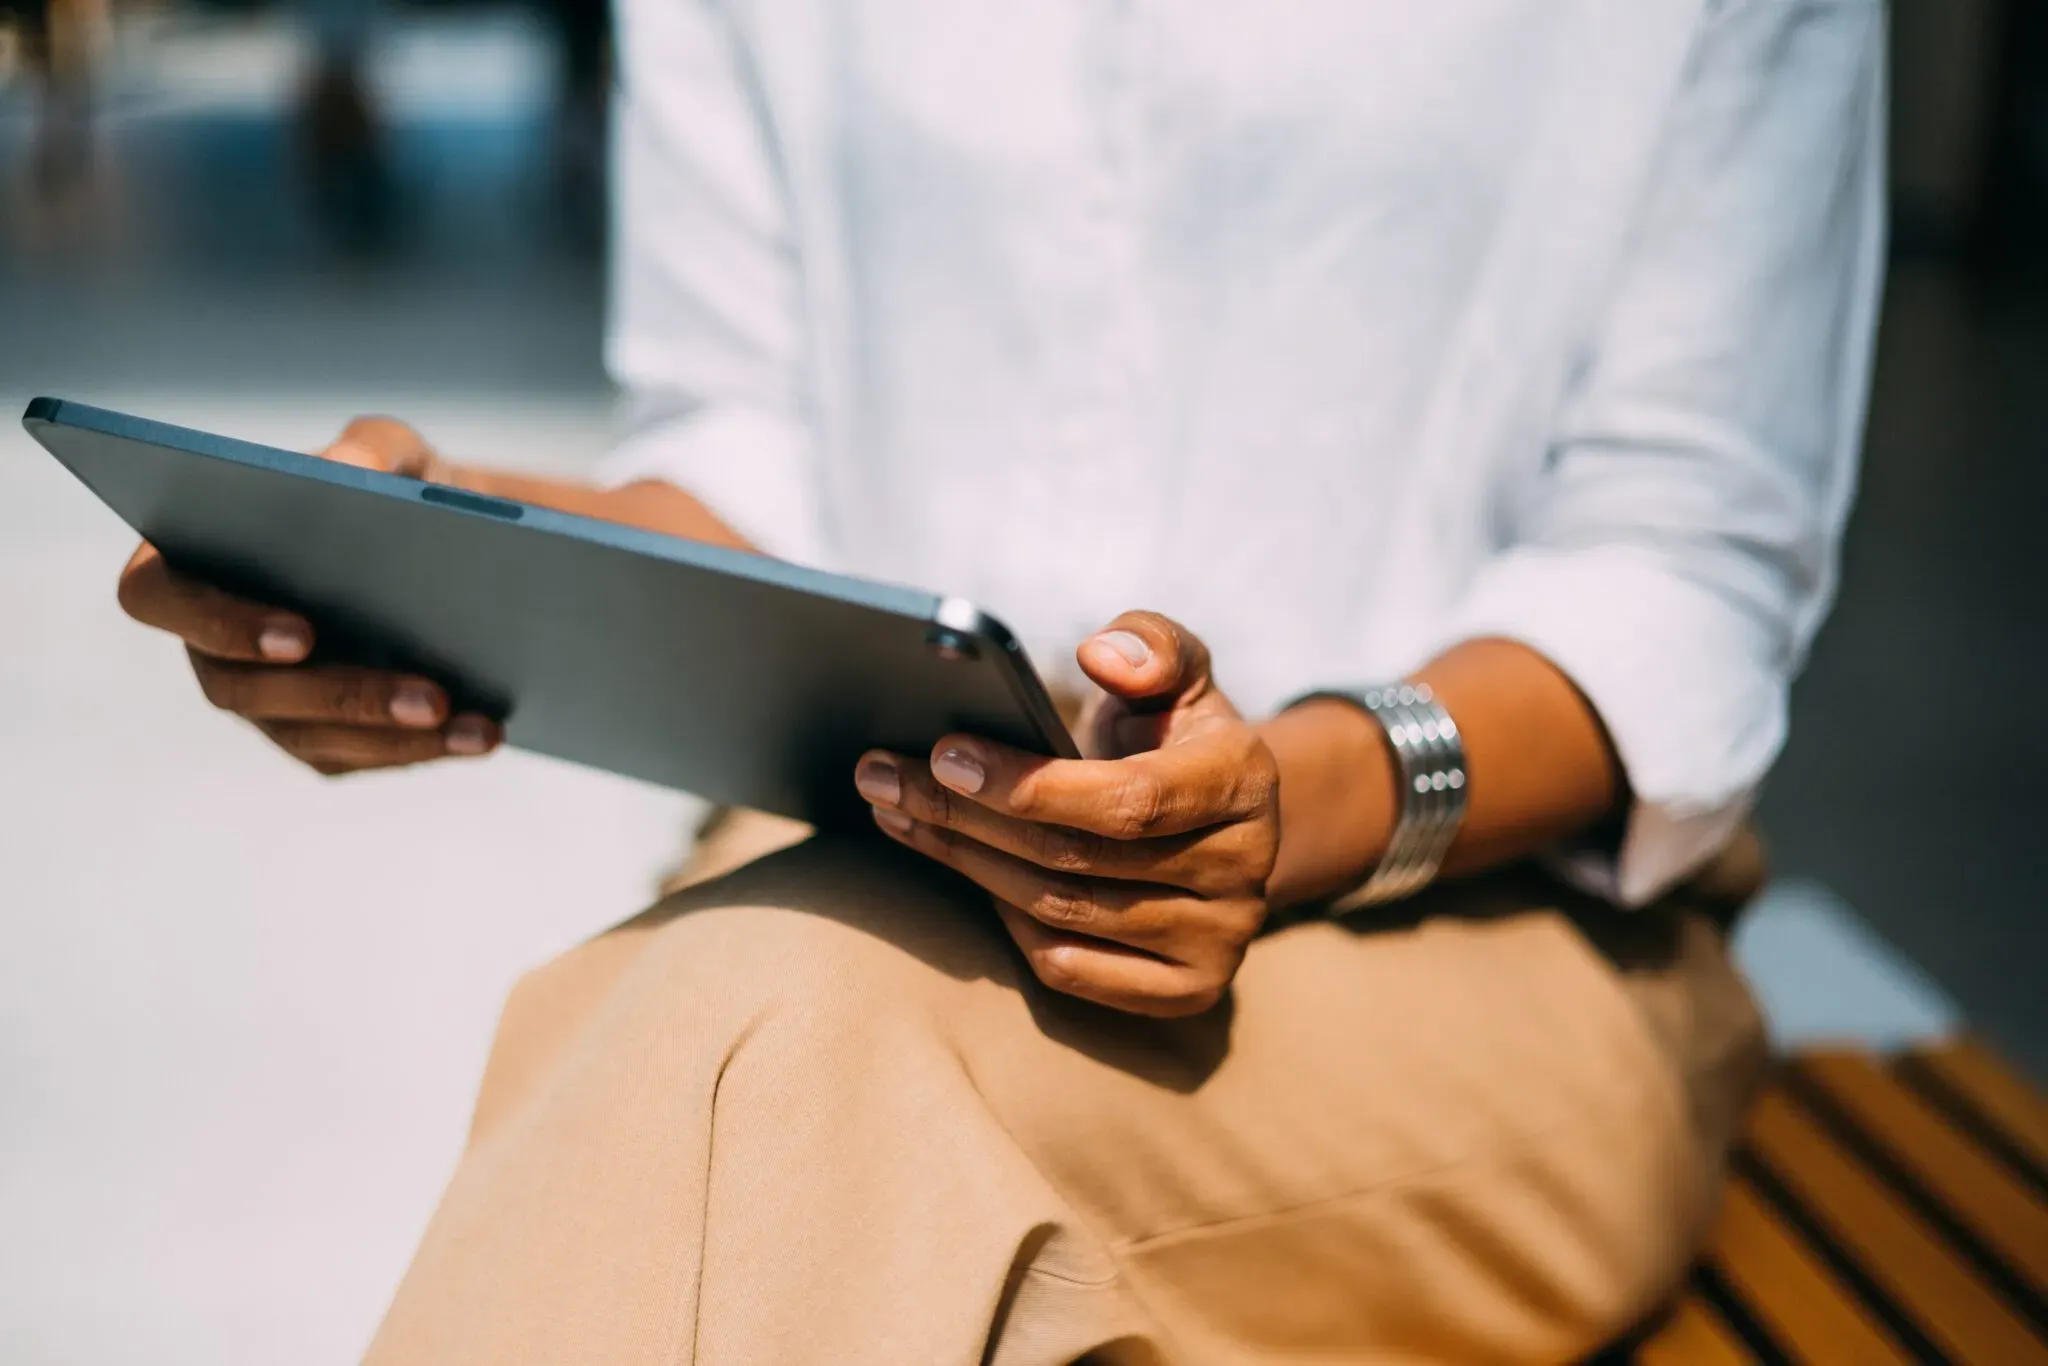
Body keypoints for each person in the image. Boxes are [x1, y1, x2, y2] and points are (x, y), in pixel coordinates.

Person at [113, 1, 1885, 1360]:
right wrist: (435, 553)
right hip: (864, 864)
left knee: (762, 1070)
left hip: (1484, 922)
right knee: (763, 1063)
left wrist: (1285, 811)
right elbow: (747, 451)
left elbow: (1683, 559)